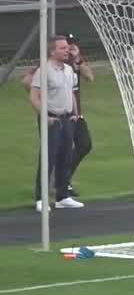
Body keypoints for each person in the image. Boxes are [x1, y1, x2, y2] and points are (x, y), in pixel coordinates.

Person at [27, 35, 84, 210]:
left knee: (65, 158)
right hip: (52, 120)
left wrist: (75, 113)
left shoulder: (69, 69)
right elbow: (34, 97)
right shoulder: (43, 70)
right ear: (52, 51)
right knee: (48, 158)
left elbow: (71, 93)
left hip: (67, 119)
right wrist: (45, 116)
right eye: (62, 48)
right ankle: (41, 198)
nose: (67, 50)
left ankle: (62, 196)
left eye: (67, 47)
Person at [64, 34, 94, 196]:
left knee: (84, 144)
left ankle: (63, 178)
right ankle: (61, 183)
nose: (71, 47)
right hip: (61, 115)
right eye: (68, 44)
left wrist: (78, 60)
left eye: (73, 44)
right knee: (61, 150)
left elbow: (90, 77)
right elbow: (28, 81)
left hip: (76, 114)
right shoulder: (54, 64)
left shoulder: (75, 62)